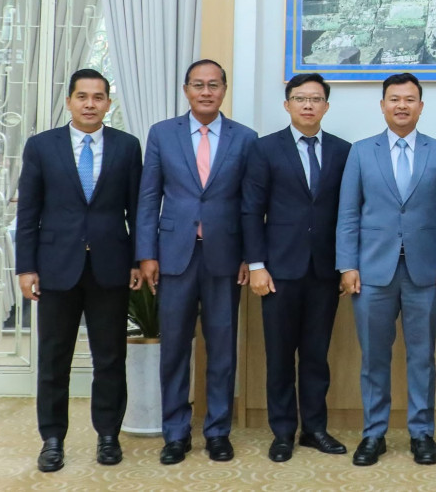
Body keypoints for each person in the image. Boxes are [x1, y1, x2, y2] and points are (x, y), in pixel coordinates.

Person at [15, 68, 142, 472]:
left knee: (110, 358)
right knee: (54, 359)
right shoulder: (42, 146)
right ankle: (52, 439)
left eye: (98, 97)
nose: (90, 104)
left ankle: (108, 436)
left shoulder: (127, 147)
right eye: (82, 96)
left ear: (108, 103)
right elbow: (28, 211)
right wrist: (26, 267)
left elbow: (137, 211)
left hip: (110, 267)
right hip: (56, 267)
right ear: (69, 101)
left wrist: (137, 260)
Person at [136, 59, 257, 464]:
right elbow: (149, 197)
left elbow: (250, 204)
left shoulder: (245, 138)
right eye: (198, 85)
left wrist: (249, 256)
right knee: (174, 348)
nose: (206, 92)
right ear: (186, 90)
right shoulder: (162, 134)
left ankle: (218, 432)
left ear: (224, 90)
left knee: (222, 349)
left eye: (214, 85)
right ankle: (175, 433)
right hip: (174, 256)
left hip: (225, 257)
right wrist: (147, 253)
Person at [336, 72, 436, 466]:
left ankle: (422, 433)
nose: (401, 106)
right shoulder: (361, 152)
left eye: (409, 99)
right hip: (372, 272)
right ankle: (374, 434)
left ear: (420, 106)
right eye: (394, 99)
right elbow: (348, 214)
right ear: (383, 105)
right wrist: (347, 265)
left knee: (422, 356)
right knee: (374, 357)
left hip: (426, 271)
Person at [242, 73, 351, 462]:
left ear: (326, 106)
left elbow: (349, 213)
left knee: (317, 355)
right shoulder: (265, 149)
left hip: (325, 271)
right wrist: (257, 264)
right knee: (279, 355)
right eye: (301, 98)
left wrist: (346, 264)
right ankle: (283, 432)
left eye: (316, 99)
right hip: (278, 270)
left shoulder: (343, 151)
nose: (308, 105)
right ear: (287, 104)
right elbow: (251, 211)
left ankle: (315, 429)